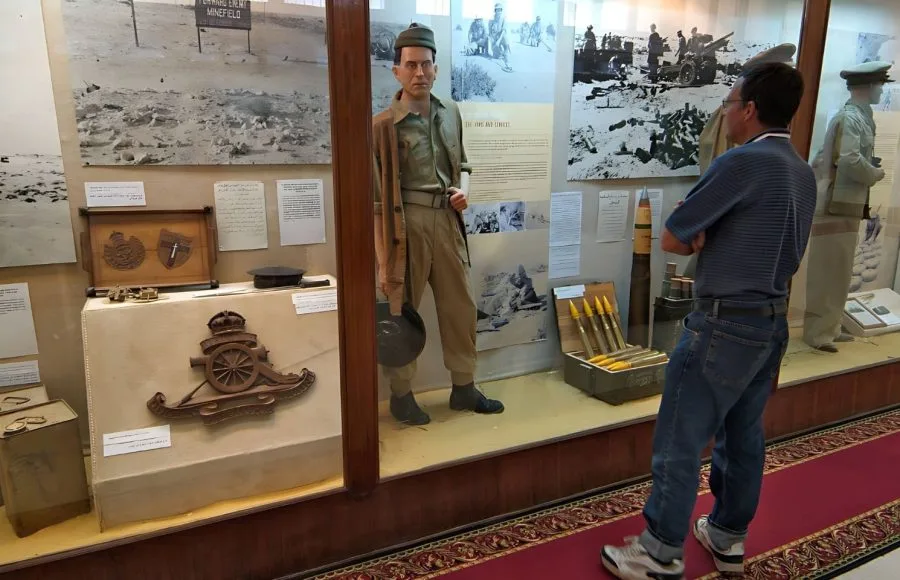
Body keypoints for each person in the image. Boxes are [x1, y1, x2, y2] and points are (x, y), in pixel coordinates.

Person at [601, 62, 816, 579]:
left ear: (750, 110)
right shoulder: (801, 171)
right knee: (744, 437)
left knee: (680, 437)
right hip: (770, 323)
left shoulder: (740, 164)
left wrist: (703, 233)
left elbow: (674, 236)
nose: (726, 112)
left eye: (729, 103)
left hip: (721, 326)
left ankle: (659, 551)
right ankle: (726, 535)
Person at [372, 24, 504, 426]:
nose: (419, 73)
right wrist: (382, 262)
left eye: (426, 64)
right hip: (404, 226)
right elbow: (376, 202)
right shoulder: (381, 126)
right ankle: (401, 395)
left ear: (436, 69)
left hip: (447, 220)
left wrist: (464, 191)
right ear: (396, 71)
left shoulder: (451, 113)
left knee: (459, 306)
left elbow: (462, 165)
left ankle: (464, 387)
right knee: (402, 311)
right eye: (410, 65)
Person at [803, 61, 892, 352]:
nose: (881, 90)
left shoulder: (860, 117)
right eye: (879, 84)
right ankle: (818, 334)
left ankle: (830, 327)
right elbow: (850, 159)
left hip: (846, 204)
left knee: (840, 270)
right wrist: (874, 174)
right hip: (834, 205)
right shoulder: (851, 118)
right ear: (867, 86)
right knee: (827, 270)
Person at [489, 3, 511, 72]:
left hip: (502, 37)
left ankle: (508, 64)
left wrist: (498, 41)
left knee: (506, 48)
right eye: (497, 10)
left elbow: (504, 30)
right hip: (495, 38)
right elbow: (490, 32)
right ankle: (500, 54)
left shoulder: (503, 19)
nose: (498, 11)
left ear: (501, 10)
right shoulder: (491, 20)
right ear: (495, 10)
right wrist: (493, 41)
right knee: (496, 56)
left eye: (500, 10)